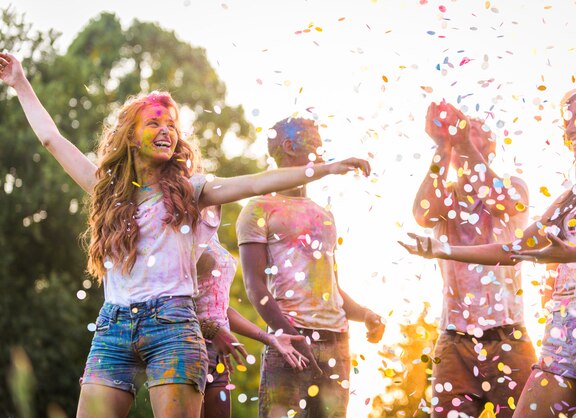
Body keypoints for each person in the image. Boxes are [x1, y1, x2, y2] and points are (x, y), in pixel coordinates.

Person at [0, 52, 371, 418]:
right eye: (154, 123)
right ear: (130, 137)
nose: (166, 131)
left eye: (172, 126)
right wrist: (19, 81)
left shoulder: (192, 191)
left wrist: (323, 169)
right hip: (112, 326)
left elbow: (257, 181)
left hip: (173, 327)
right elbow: (52, 139)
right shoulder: (107, 189)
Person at [400, 83, 576, 418]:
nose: (568, 127)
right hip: (560, 332)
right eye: (567, 120)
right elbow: (514, 249)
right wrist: (440, 248)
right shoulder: (570, 197)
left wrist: (571, 254)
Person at [236, 117, 386, 418]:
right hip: (290, 345)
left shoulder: (324, 215)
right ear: (290, 146)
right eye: (314, 140)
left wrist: (366, 314)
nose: (321, 147)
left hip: (338, 344)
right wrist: (290, 336)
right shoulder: (258, 209)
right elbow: (255, 287)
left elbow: (332, 289)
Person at [412, 101, 536, 418]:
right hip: (455, 341)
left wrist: (462, 142)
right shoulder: (444, 195)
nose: (465, 129)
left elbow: (503, 203)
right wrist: (442, 146)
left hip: (509, 337)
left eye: (475, 129)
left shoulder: (512, 186)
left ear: (490, 148)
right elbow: (423, 213)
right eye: (461, 129)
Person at [196, 206, 309, 418]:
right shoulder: (177, 234)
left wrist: (270, 338)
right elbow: (170, 301)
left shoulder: (209, 229)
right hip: (187, 350)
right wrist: (211, 329)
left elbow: (219, 307)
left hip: (217, 357)